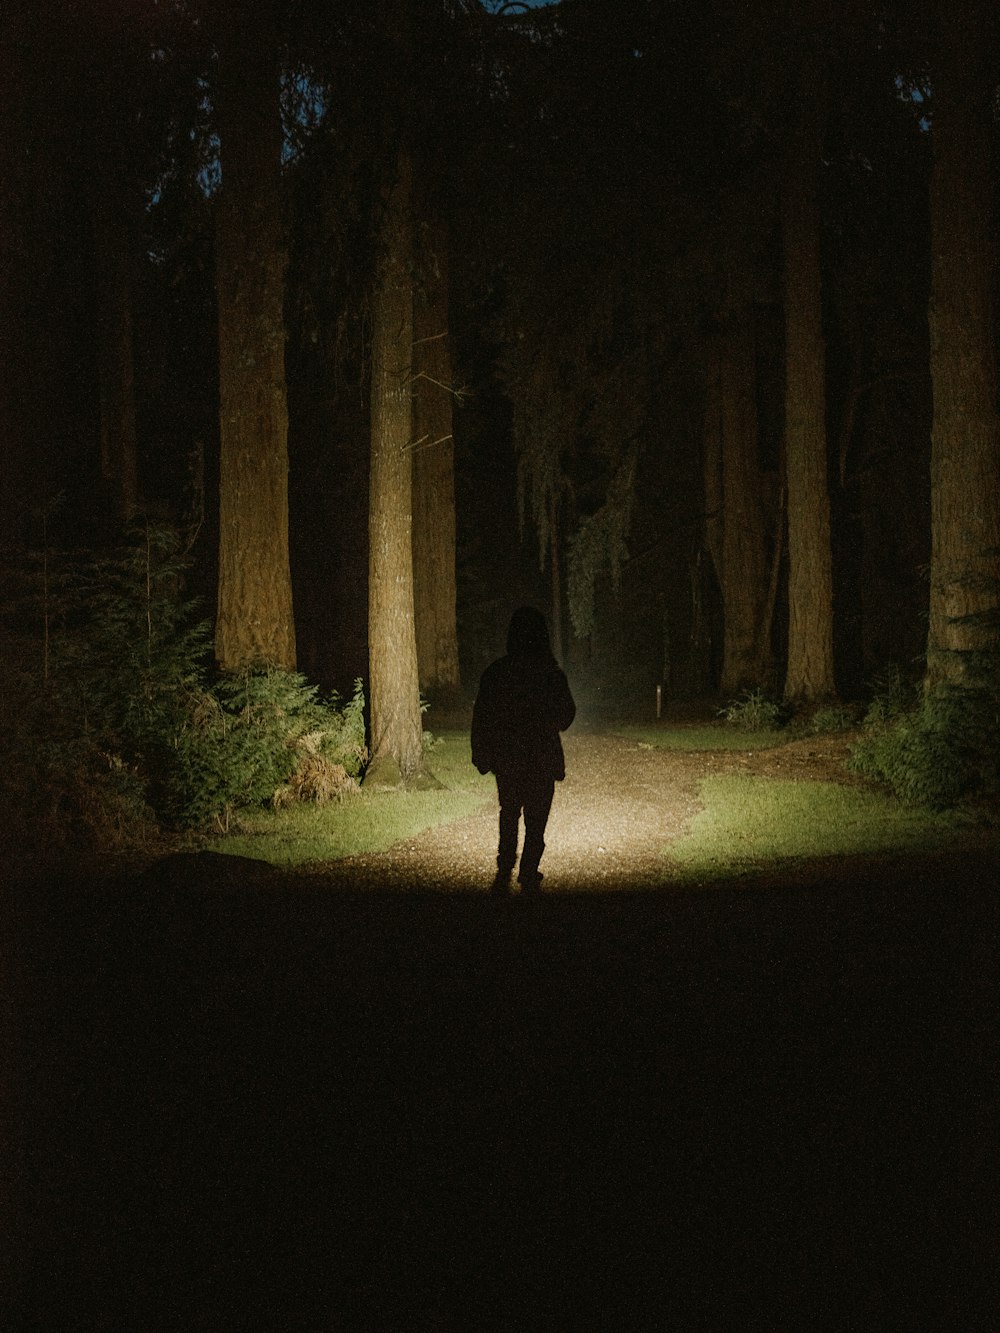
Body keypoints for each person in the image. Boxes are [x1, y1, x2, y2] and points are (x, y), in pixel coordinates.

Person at [471, 606, 576, 894]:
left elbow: (482, 716)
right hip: (541, 756)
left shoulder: (496, 673)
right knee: (536, 816)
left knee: (509, 810)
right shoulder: (551, 674)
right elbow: (567, 716)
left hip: (508, 757)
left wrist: (481, 753)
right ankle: (528, 869)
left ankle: (505, 865)